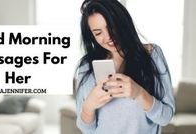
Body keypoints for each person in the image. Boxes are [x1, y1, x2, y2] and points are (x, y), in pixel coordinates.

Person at [75, 0, 175, 134]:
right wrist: (88, 106)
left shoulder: (152, 55)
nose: (108, 37)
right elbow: (86, 129)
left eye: (111, 26)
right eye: (98, 33)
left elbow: (166, 118)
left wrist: (139, 93)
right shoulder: (86, 66)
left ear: (123, 22)